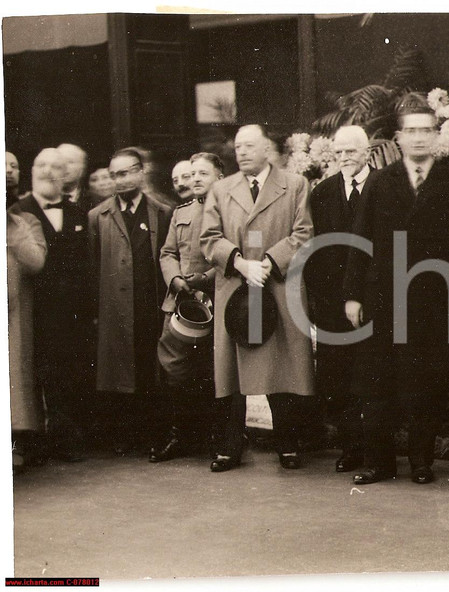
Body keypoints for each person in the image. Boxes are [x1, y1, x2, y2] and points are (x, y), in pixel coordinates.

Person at [343, 95, 449, 485]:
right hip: (383, 297)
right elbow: (360, 240)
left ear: (437, 135)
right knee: (377, 382)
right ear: (398, 137)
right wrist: (353, 295)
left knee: (426, 383)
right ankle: (378, 462)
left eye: (426, 130)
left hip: (433, 300)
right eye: (411, 130)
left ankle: (421, 462)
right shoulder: (381, 182)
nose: (418, 137)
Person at [201, 124, 315, 473]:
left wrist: (268, 263)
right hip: (236, 286)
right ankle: (229, 447)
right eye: (238, 147)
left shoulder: (295, 184)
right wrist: (239, 263)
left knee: (281, 368)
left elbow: (304, 232)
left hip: (277, 285)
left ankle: (288, 443)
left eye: (250, 146)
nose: (242, 152)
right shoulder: (221, 189)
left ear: (267, 149)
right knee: (232, 375)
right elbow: (209, 238)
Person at [11, 148, 94, 462]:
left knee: (69, 374)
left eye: (55, 166)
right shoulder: (17, 211)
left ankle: (65, 439)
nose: (48, 171)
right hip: (30, 312)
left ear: (66, 175)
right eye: (42, 165)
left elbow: (87, 266)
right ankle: (31, 443)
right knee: (29, 377)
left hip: (70, 314)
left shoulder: (77, 213)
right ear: (32, 171)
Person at [89, 148, 173, 455]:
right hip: (116, 308)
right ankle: (125, 435)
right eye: (114, 175)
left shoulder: (161, 212)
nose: (119, 180)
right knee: (121, 370)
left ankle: (154, 434)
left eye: (125, 173)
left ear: (140, 173)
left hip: (151, 304)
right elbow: (93, 266)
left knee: (151, 367)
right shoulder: (98, 217)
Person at [302, 125, 370, 471]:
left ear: (367, 152)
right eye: (339, 152)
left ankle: (376, 450)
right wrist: (320, 301)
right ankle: (351, 447)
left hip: (373, 300)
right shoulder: (323, 192)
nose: (345, 158)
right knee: (338, 378)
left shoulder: (382, 187)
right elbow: (314, 249)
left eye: (351, 151)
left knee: (372, 377)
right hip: (332, 304)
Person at [150, 152, 224, 463]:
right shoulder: (181, 212)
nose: (195, 179)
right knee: (174, 369)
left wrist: (205, 279)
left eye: (203, 174)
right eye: (192, 174)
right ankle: (179, 436)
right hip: (180, 304)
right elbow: (167, 252)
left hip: (217, 301)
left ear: (220, 177)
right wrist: (176, 278)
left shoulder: (229, 211)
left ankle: (217, 439)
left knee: (214, 372)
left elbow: (236, 254)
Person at [7, 209, 47, 472]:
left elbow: (36, 261)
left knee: (14, 379)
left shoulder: (23, 222)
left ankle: (16, 443)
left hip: (13, 315)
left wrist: (14, 233)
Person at [57, 143, 90, 209]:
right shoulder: (41, 199)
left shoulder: (94, 200)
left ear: (82, 168)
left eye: (70, 162)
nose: (63, 166)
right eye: (59, 161)